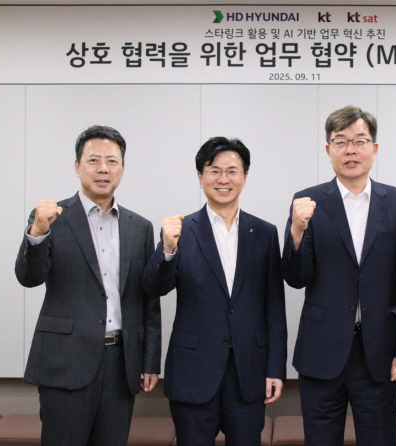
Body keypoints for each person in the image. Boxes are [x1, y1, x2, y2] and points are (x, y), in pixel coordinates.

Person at [282, 106, 396, 446]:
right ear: (328, 150)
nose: (351, 150)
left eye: (360, 141)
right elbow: (296, 278)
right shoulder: (307, 201)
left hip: (378, 351)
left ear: (374, 148)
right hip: (321, 349)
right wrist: (296, 231)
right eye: (341, 142)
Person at [15, 125, 161, 446]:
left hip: (121, 363)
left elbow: (148, 300)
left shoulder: (140, 227)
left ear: (122, 168)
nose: (103, 169)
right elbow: (29, 277)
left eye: (112, 161)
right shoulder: (52, 217)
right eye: (93, 160)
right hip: (65, 361)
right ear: (77, 166)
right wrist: (37, 232)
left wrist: (150, 361)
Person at [144, 137, 287, 446]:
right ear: (200, 177)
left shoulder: (265, 233)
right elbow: (154, 287)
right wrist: (166, 249)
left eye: (232, 171)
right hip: (193, 372)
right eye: (214, 171)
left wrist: (276, 368)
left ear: (245, 177)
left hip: (248, 373)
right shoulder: (180, 230)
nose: (224, 179)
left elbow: (274, 308)